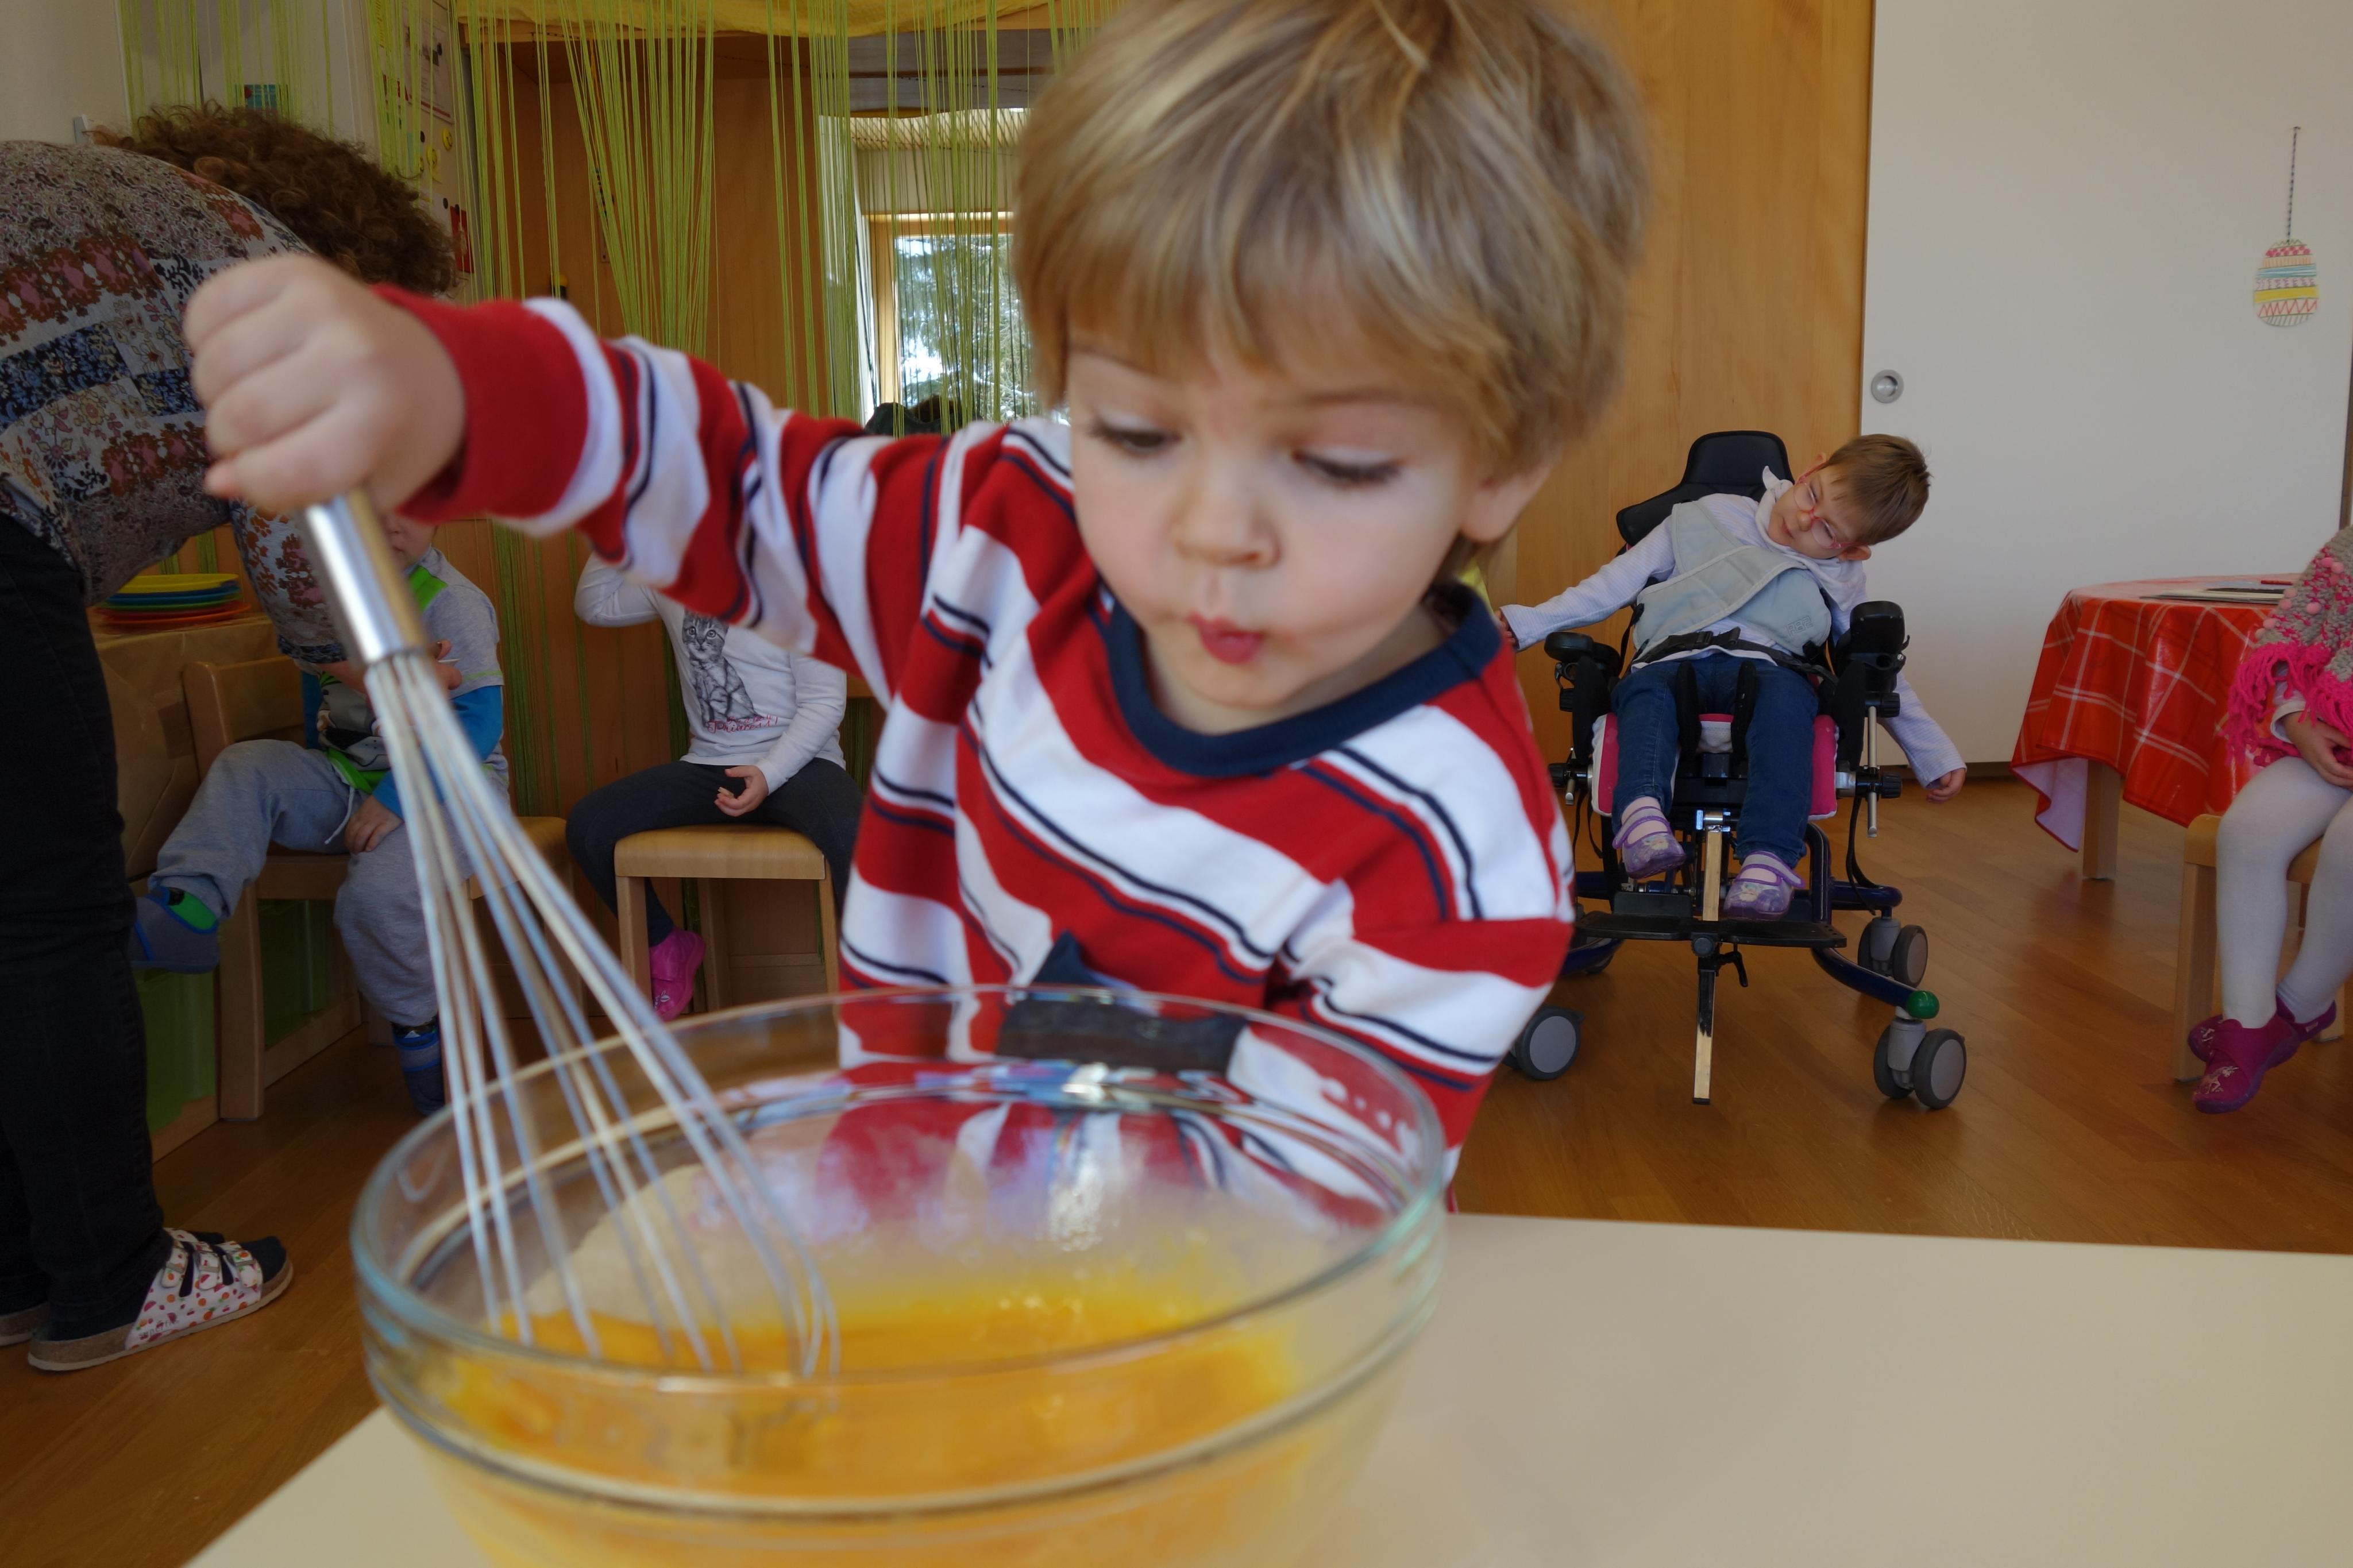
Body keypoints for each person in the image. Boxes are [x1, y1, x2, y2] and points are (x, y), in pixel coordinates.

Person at [183, 0, 1648, 1172]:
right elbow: (729, 481)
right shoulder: (1007, 532)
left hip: (1200, 1324)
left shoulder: (1457, 852)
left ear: (1499, 464)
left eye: (1331, 461)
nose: (1213, 530)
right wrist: (449, 391)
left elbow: (1297, 1215)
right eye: (1136, 432)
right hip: (901, 1200)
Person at [0, 107, 450, 1370]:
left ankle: (25, 1267)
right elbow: (303, 550)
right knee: (49, 913)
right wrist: (371, 651)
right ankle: (112, 1278)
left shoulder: (121, 208)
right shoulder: (266, 263)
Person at [130, 512, 506, 1117]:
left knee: (376, 897)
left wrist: (395, 799)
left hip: (452, 793)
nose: (392, 521)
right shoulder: (320, 601)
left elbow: (479, 724)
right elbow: (324, 714)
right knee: (245, 765)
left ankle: (420, 1028)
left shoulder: (450, 600)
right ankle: (189, 908)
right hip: (348, 784)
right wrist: (325, 788)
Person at [1500, 435, 1967, 919]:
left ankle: (1768, 862)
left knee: (1791, 705)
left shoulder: (1839, 577)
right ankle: (1641, 820)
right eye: (1811, 496)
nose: (1803, 520)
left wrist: (1931, 750)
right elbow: (1610, 586)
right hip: (1673, 658)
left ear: (1853, 551)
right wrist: (1528, 622)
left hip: (1772, 672)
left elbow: (1876, 664)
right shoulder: (1705, 516)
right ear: (1812, 469)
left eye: (1827, 531)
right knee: (1645, 691)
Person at [566, 554, 862, 1018]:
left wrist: (769, 772)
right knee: (589, 827)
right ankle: (667, 946)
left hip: (801, 764)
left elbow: (824, 703)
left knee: (856, 837)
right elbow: (595, 606)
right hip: (712, 767)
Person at [2191, 534, 2353, 1112]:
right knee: (2247, 830)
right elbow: (2290, 641)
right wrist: (2297, 721)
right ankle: (2248, 1019)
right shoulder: (2349, 549)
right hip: (2337, 735)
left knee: (2349, 843)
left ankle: (2299, 1006)